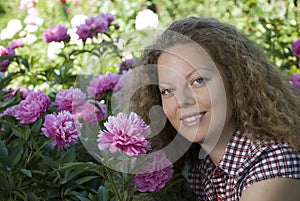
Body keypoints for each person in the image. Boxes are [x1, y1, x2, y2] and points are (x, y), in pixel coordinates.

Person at [128, 17, 300, 200]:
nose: (183, 100)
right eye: (168, 90)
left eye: (198, 80)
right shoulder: (202, 168)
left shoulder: (273, 165)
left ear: (235, 80)